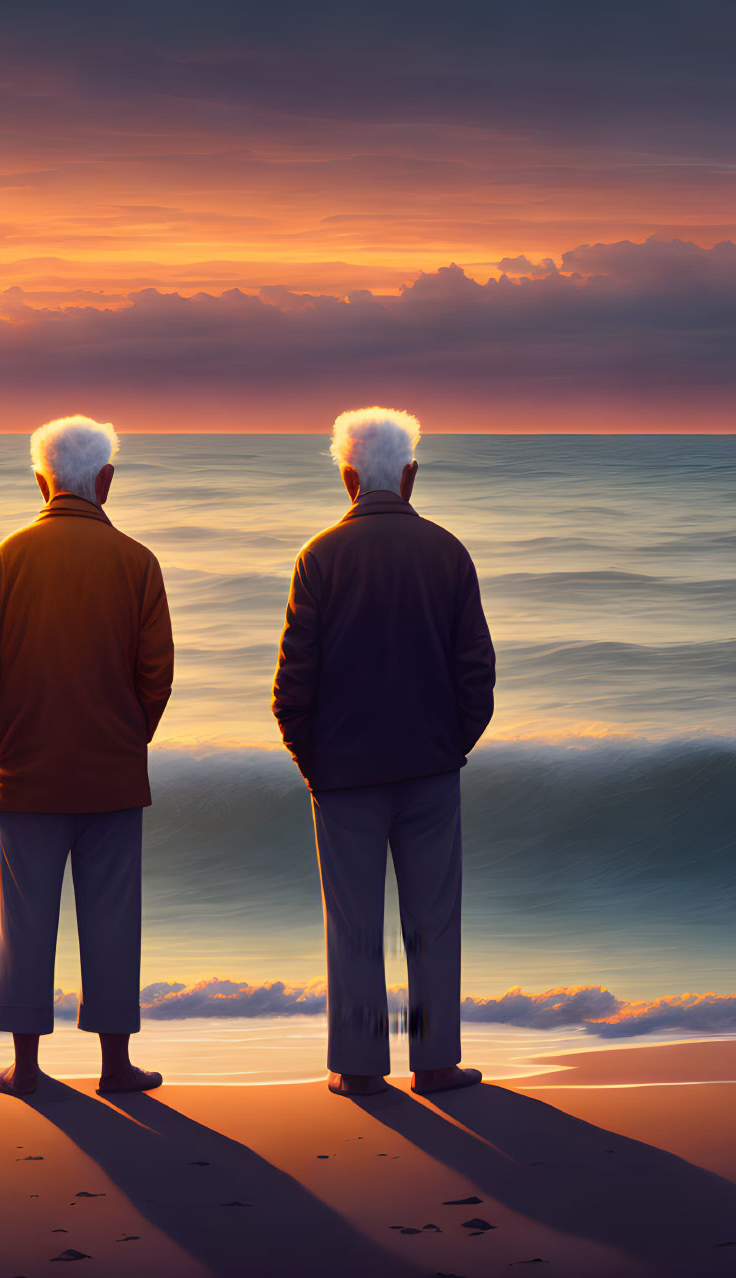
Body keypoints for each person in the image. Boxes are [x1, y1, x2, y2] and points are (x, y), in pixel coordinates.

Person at [272, 407, 495, 1098]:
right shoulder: (446, 550)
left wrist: (311, 760)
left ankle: (359, 1066)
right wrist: (448, 746)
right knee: (433, 921)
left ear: (347, 478)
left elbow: (292, 680)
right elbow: (476, 675)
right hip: (427, 767)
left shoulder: (318, 556)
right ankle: (434, 1064)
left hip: (342, 775)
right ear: (408, 474)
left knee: (353, 925)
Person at [0, 416, 173, 1097]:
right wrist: (128, 736)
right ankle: (114, 1067)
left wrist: (5, 744)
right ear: (104, 480)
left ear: (40, 481)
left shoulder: (7, 557)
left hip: (26, 774)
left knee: (24, 923)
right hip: (111, 773)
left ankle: (25, 1067)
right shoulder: (137, 562)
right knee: (113, 922)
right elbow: (156, 672)